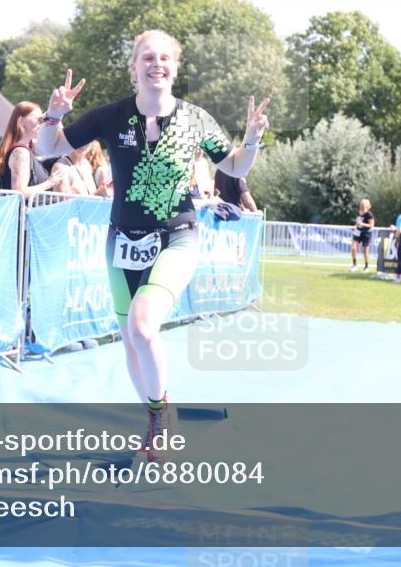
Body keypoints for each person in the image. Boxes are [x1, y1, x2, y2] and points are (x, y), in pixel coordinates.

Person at [37, 29, 270, 460]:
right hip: (120, 238)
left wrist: (252, 139)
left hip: (176, 237)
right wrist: (53, 116)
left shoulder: (196, 119)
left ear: (175, 68)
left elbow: (234, 166)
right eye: (146, 57)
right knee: (130, 339)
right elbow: (46, 149)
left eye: (164, 58)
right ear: (133, 68)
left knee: (144, 326)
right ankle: (156, 411)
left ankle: (160, 420)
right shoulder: (110, 116)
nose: (155, 64)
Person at [0, 102, 57, 197]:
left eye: (42, 120)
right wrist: (49, 183)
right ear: (21, 121)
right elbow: (20, 192)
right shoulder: (20, 152)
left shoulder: (24, 148)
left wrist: (55, 114)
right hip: (20, 211)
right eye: (38, 119)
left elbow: (55, 143)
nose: (41, 123)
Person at [350, 198, 375, 273]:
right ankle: (354, 265)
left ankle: (366, 266)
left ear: (367, 206)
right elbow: (357, 221)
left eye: (363, 205)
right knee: (353, 247)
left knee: (365, 251)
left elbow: (372, 225)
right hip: (358, 232)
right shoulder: (358, 212)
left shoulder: (369, 214)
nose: (362, 206)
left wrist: (362, 224)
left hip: (366, 233)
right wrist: (355, 226)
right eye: (361, 204)